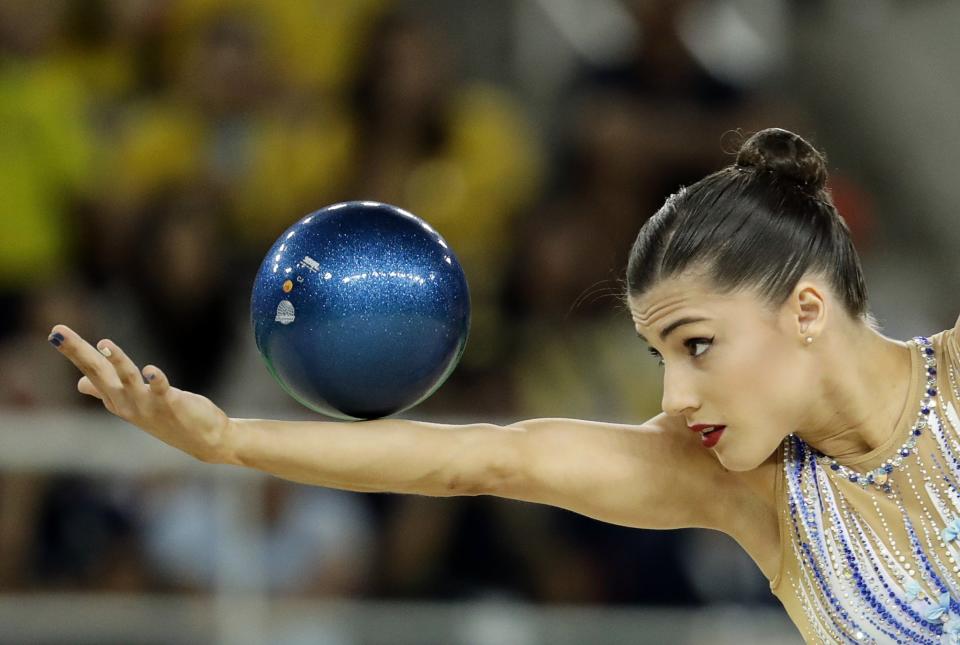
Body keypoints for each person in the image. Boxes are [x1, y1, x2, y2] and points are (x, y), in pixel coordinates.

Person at [48, 128, 960, 643]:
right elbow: (483, 458)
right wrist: (225, 441)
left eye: (697, 344)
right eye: (661, 357)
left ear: (806, 309)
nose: (677, 395)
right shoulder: (751, 490)